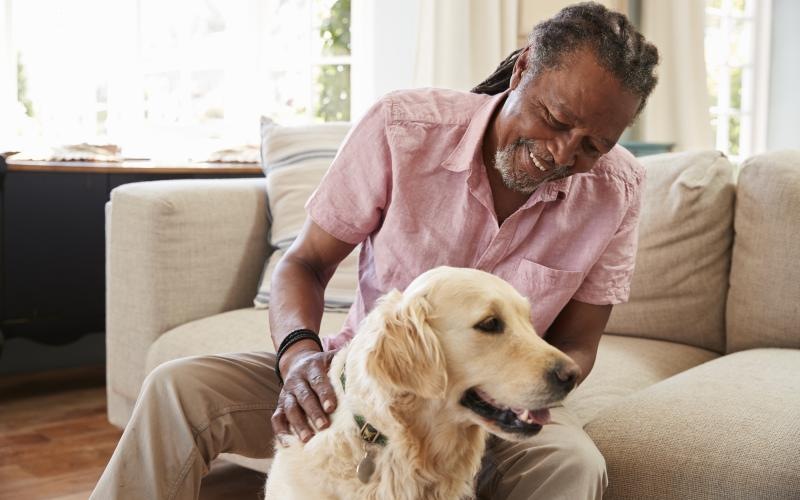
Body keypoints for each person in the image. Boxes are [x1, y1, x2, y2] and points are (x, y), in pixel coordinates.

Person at [91, 2, 659, 499]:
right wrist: (298, 359)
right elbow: (305, 264)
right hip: (359, 375)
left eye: (592, 146)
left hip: (493, 407)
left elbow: (577, 345)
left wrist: (500, 402)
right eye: (553, 118)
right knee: (178, 389)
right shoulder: (403, 129)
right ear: (520, 70)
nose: (561, 153)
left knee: (572, 465)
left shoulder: (617, 190)